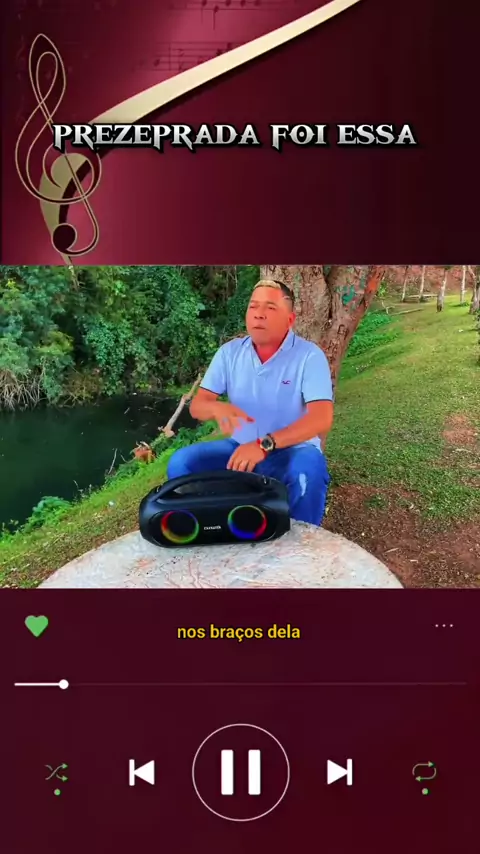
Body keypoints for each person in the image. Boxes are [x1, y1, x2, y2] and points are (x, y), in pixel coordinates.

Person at [167, 279, 334, 525]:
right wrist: (215, 406)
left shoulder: (309, 356)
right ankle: (211, 528)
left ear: (290, 319)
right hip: (239, 449)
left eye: (270, 308)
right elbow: (197, 406)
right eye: (253, 306)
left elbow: (321, 419)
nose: (259, 314)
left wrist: (264, 445)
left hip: (292, 451)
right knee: (182, 463)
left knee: (308, 472)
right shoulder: (229, 353)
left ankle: (301, 543)